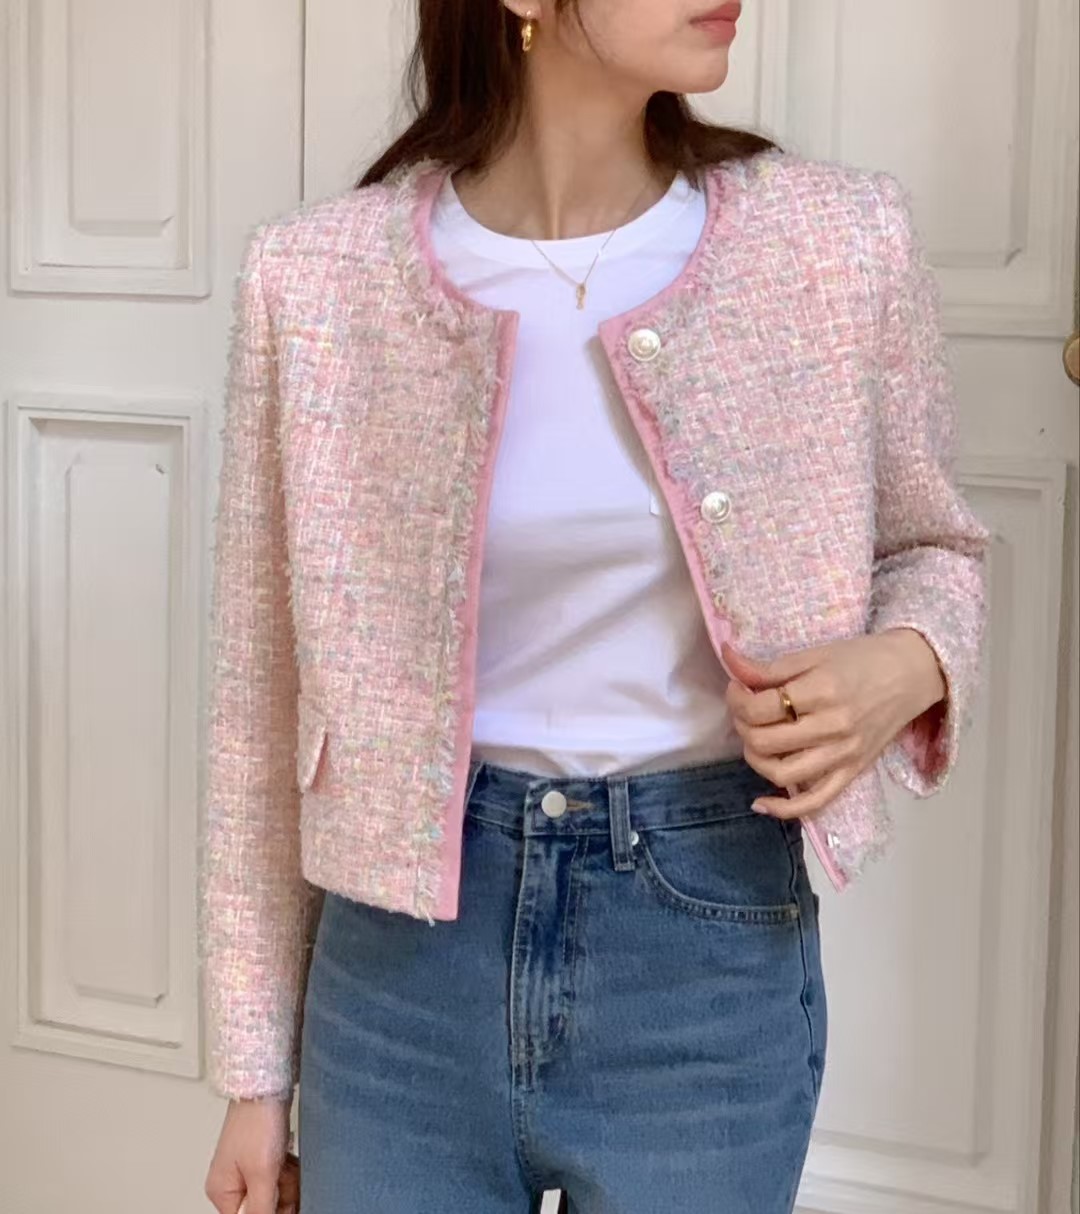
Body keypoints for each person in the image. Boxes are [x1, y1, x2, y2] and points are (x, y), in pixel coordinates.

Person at [201, 1, 991, 1211]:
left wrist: (907, 661)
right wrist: (256, 1074)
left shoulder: (835, 242)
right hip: (400, 976)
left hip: (702, 956)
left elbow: (937, 547)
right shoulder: (316, 281)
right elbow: (260, 700)